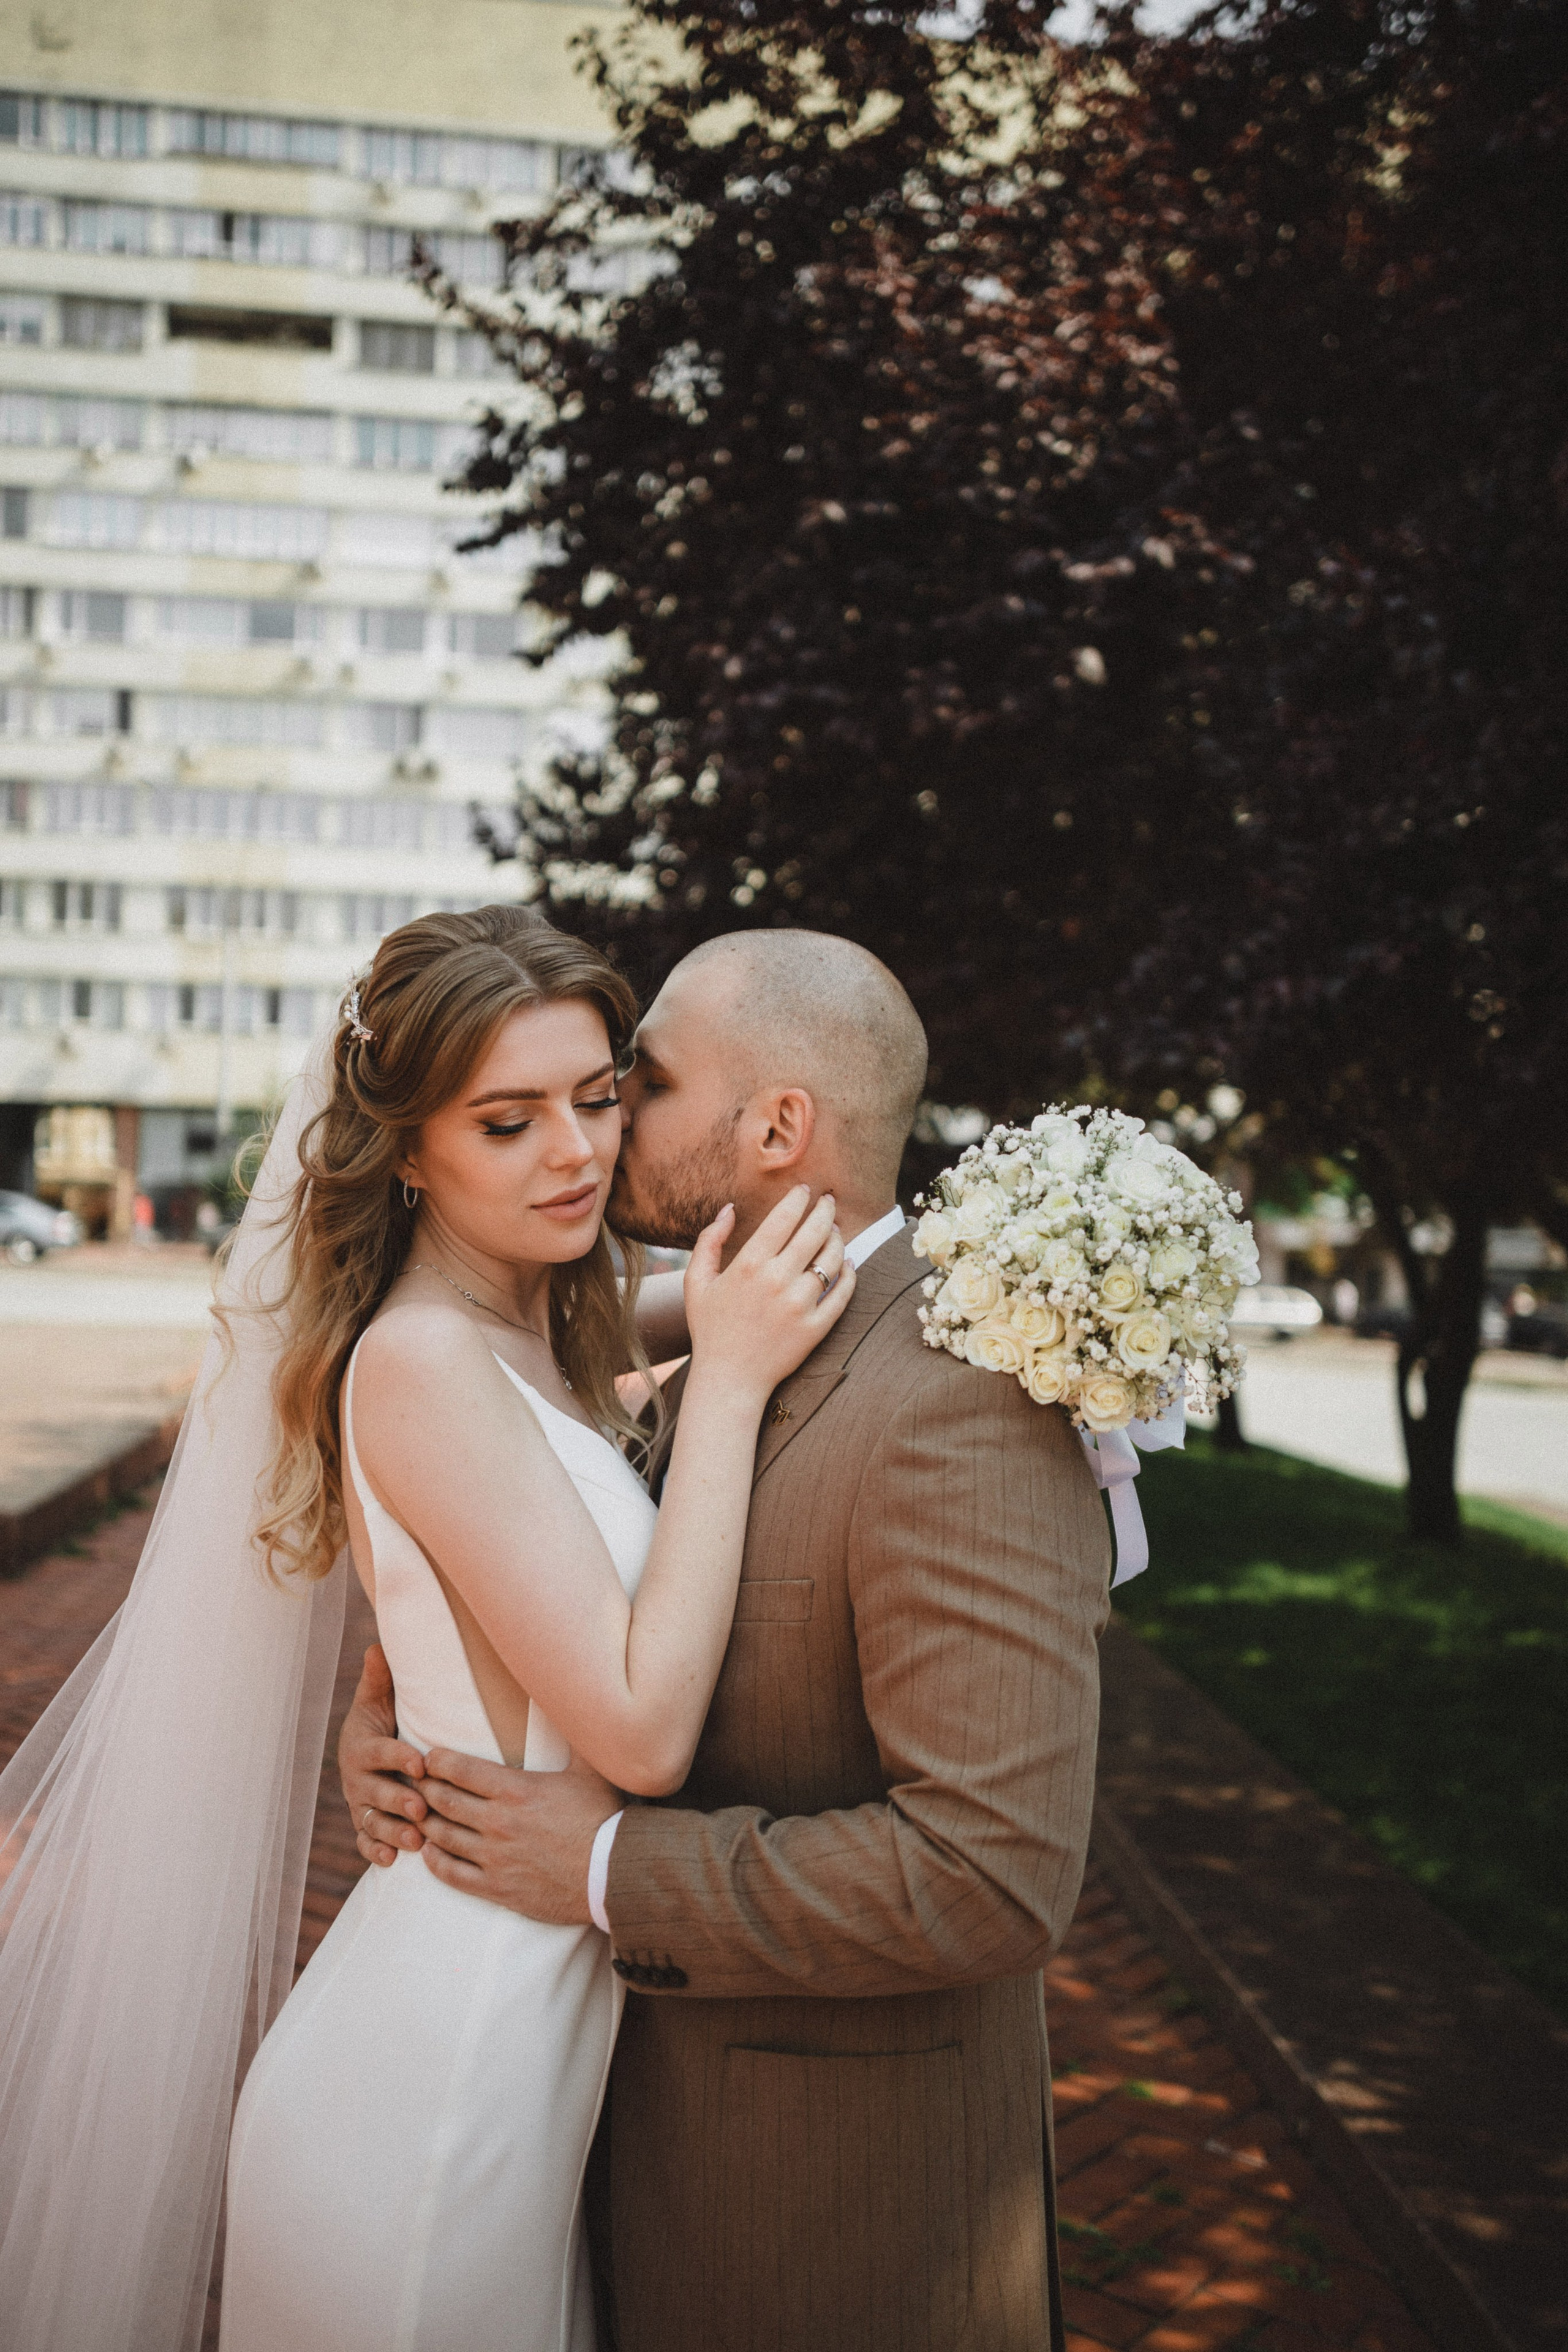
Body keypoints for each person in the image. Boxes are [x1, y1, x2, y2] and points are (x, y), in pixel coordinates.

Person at [0, 907, 851, 2352]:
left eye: (597, 1100)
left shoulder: (539, 1322)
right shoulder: (418, 1360)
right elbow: (640, 1731)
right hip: (435, 2087)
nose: (576, 1154)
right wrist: (726, 1388)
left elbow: (707, 1325)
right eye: (507, 1123)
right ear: (407, 1151)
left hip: (508, 2046)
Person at [341, 927, 1114, 2352]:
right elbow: (523, 1507)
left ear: (774, 1128)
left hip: (828, 2223)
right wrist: (404, 1701)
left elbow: (991, 1874)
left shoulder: (953, 1399)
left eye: (634, 1081)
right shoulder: (713, 1323)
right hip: (569, 2115)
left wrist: (595, 1863)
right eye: (526, 1114)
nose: (601, 1124)